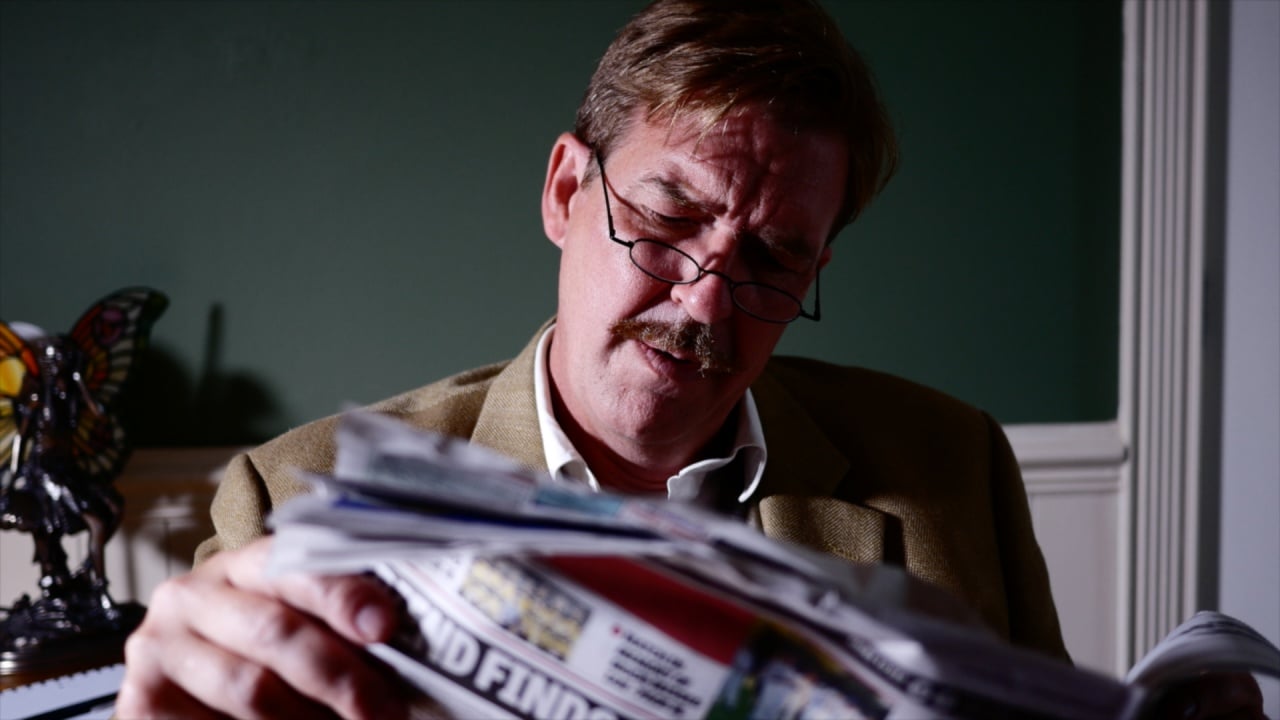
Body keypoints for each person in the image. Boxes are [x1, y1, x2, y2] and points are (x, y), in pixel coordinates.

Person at [117, 2, 1266, 719]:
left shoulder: (950, 463)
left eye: (773, 257)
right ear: (565, 191)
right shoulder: (298, 497)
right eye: (666, 220)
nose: (706, 298)